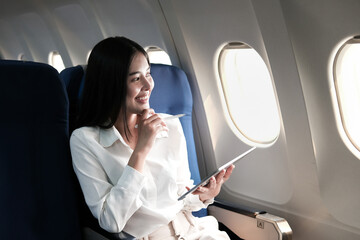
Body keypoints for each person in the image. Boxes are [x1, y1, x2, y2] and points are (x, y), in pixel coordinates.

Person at [70, 36, 234, 239]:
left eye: (148, 74)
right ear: (111, 85)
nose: (148, 85)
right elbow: (111, 221)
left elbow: (179, 195)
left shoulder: (170, 124)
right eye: (136, 78)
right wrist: (142, 149)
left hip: (192, 231)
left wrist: (205, 196)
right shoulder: (85, 141)